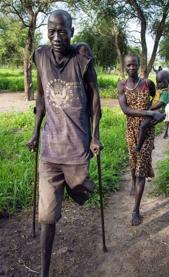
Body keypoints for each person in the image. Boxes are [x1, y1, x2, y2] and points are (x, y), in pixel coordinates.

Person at [27, 10, 101, 277]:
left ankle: (76, 188)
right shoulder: (40, 56)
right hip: (50, 150)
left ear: (71, 30)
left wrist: (95, 136)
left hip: (77, 147)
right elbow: (41, 97)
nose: (57, 37)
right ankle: (44, 272)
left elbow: (95, 99)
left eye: (62, 31)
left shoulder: (81, 58)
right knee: (47, 217)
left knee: (80, 189)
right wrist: (36, 132)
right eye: (52, 31)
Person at [118, 53, 164, 226]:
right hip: (131, 129)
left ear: (139, 65)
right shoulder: (122, 85)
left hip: (147, 130)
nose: (132, 68)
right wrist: (150, 112)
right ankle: (133, 181)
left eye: (134, 64)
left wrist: (156, 112)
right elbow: (125, 109)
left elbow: (156, 98)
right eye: (128, 65)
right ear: (124, 66)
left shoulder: (147, 83)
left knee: (141, 169)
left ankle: (135, 210)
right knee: (133, 161)